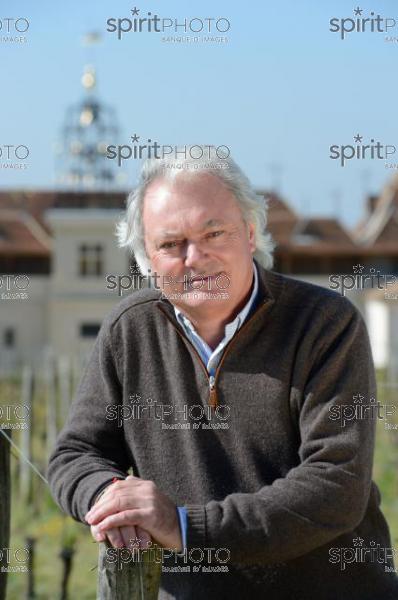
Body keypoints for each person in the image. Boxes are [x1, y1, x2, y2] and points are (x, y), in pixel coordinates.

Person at [48, 149, 398, 599]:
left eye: (214, 232)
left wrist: (184, 527)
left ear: (250, 234)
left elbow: (336, 485)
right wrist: (108, 496)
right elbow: (74, 453)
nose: (194, 257)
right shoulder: (129, 330)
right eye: (170, 244)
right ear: (147, 258)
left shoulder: (325, 323)